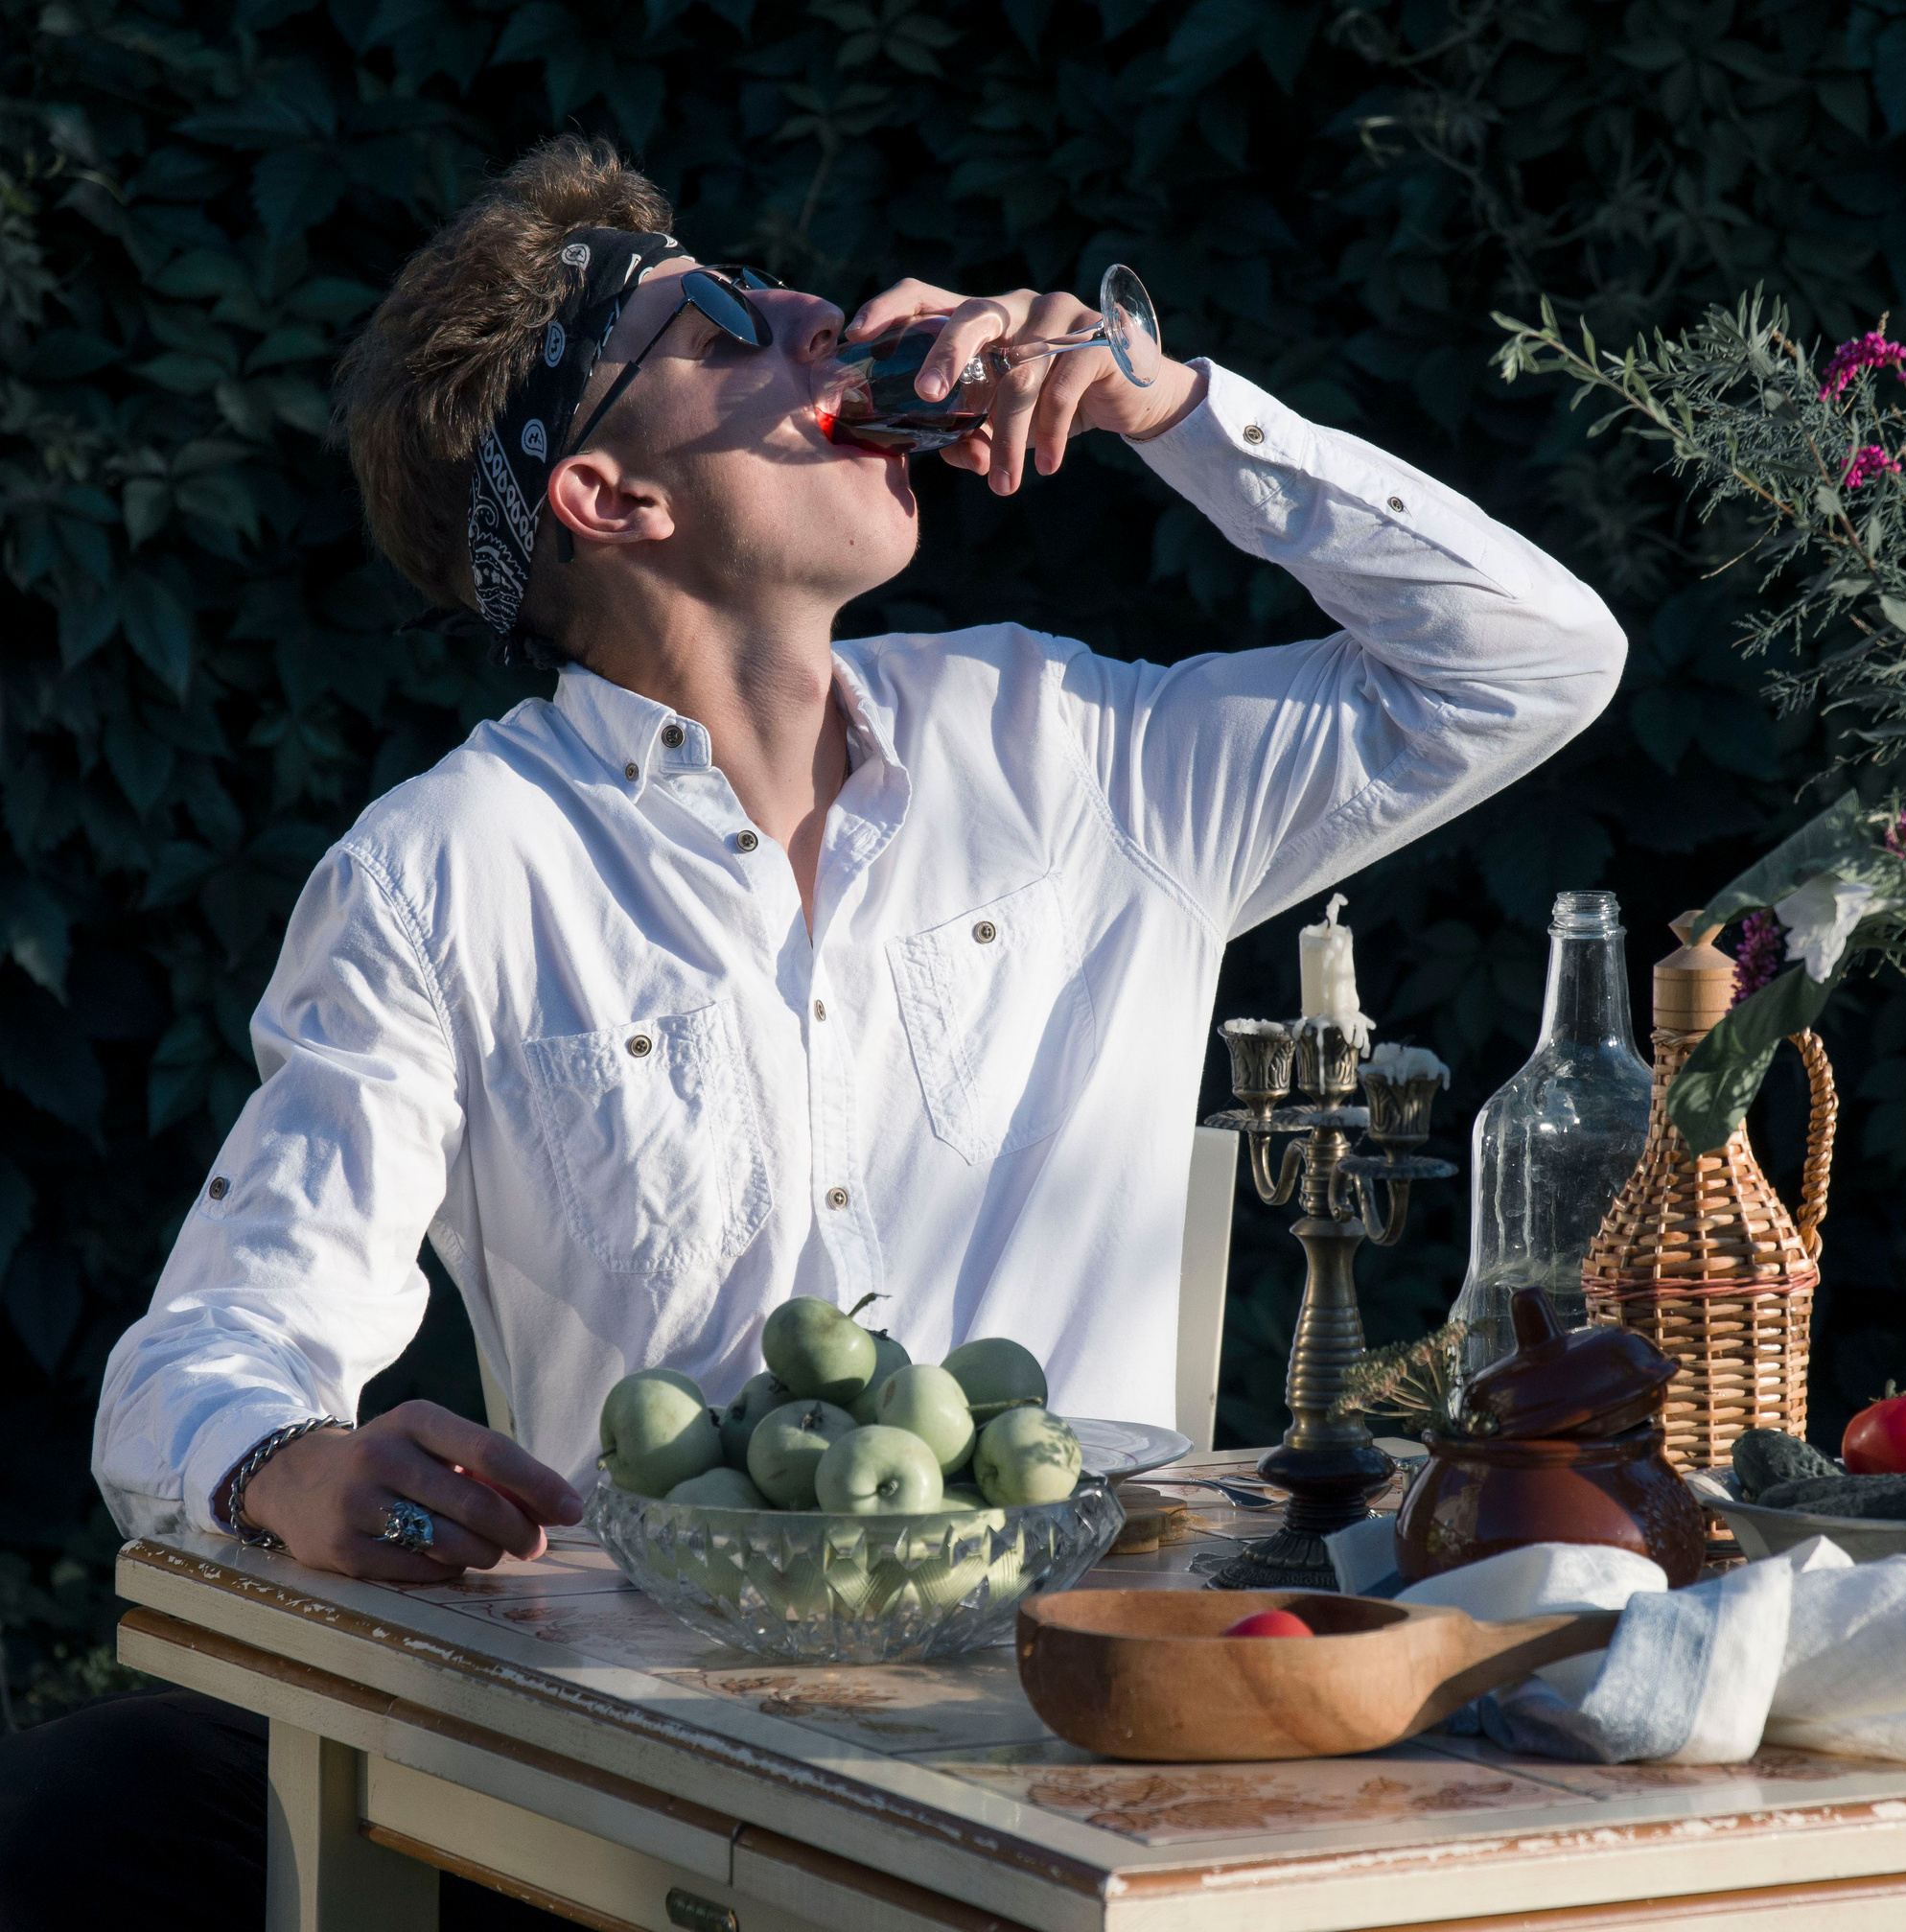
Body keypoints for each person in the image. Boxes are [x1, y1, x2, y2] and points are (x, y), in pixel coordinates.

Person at [0, 133, 1621, 1925]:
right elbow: (208, 1356)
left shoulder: (1080, 755)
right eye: (719, 325)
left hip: (1087, 1753)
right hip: (664, 1786)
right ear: (610, 499)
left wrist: (1174, 411)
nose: (822, 315)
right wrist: (285, 1463)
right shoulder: (448, 872)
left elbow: (1535, 661)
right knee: (83, 1805)